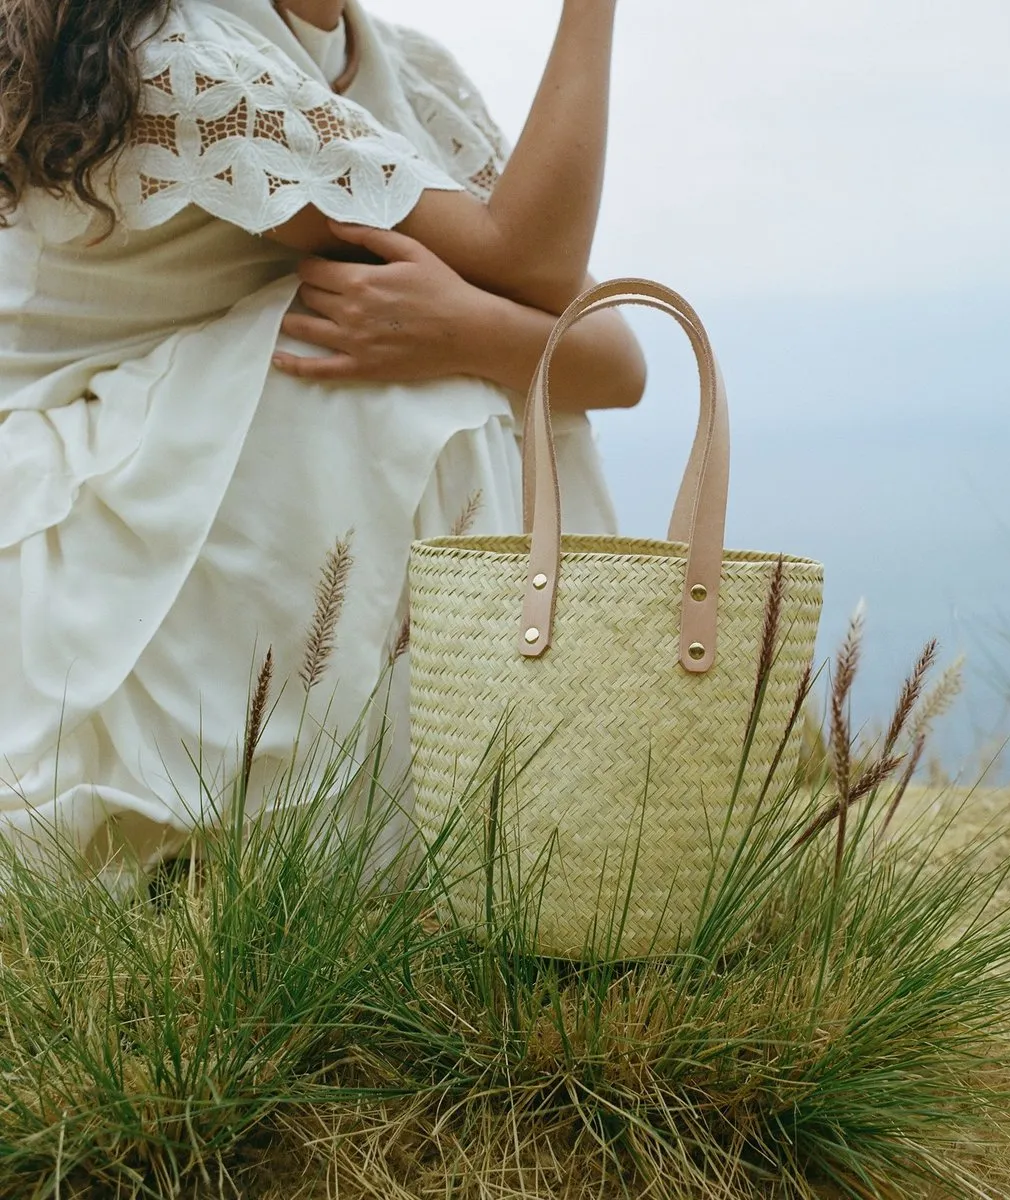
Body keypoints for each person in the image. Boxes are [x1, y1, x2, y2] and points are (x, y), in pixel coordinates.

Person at [0, 0, 645, 877]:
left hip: (199, 462)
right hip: (64, 512)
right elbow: (529, 259)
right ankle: (371, 852)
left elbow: (613, 360)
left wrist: (468, 327)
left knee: (457, 362)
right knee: (379, 372)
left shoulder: (410, 70)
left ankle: (529, 810)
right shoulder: (181, 61)